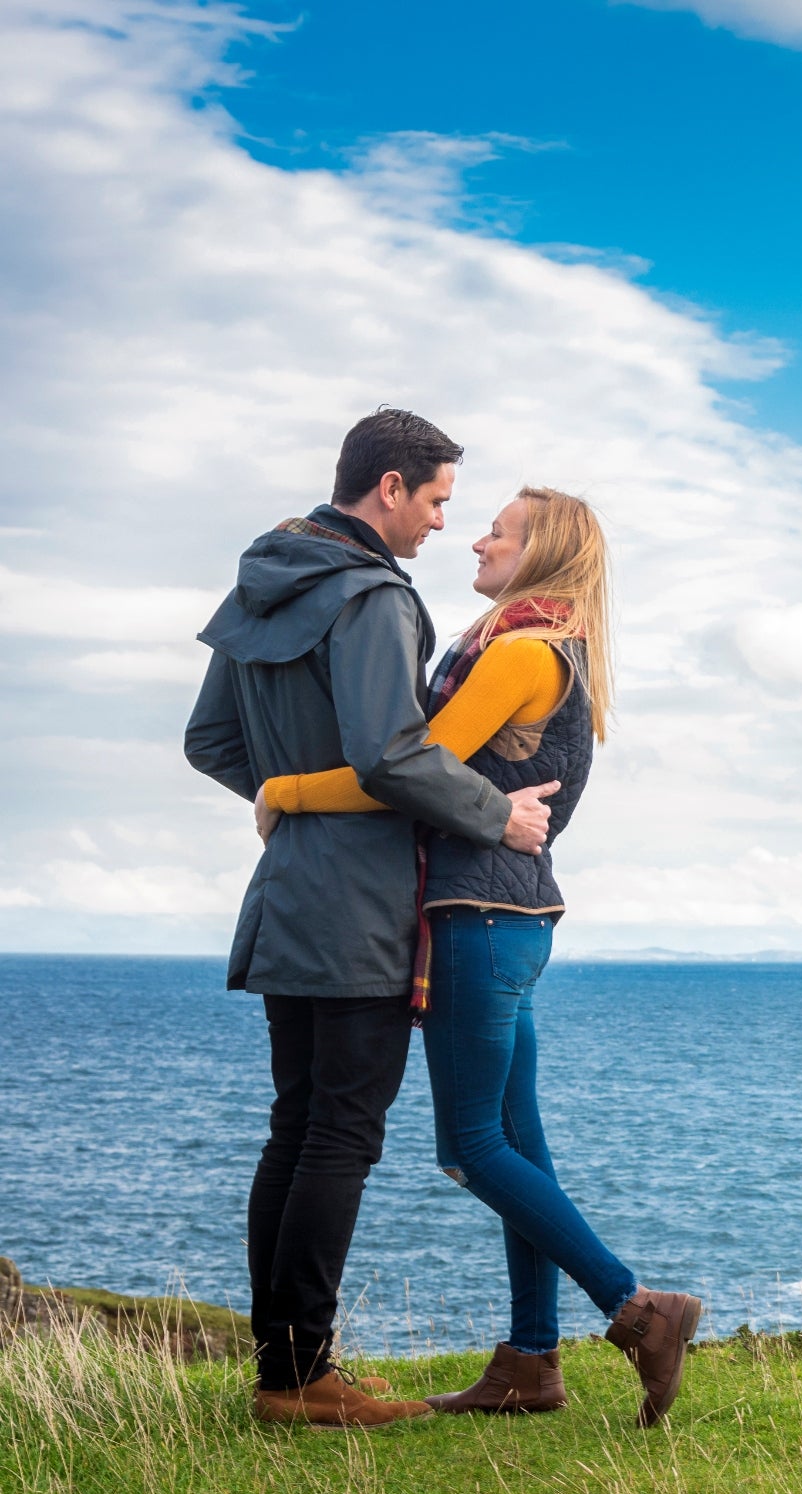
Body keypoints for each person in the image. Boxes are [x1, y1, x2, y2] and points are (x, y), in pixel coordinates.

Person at [258, 486, 704, 1427]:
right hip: (518, 921)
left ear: (540, 550)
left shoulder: (518, 654)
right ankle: (531, 1363)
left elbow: (401, 774)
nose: (477, 538)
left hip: (478, 918)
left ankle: (638, 1307)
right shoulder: (556, 650)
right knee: (518, 1144)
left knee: (471, 1147)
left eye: (497, 529)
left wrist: (286, 791)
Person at [185, 408, 558, 1428]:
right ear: (388, 488)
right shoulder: (372, 599)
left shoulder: (265, 579)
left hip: (288, 893)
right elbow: (395, 755)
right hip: (359, 907)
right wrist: (499, 814)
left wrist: (289, 796)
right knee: (340, 1134)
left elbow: (210, 740)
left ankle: (284, 1368)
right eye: (437, 499)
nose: (445, 522)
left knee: (297, 1127)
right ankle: (302, 1376)